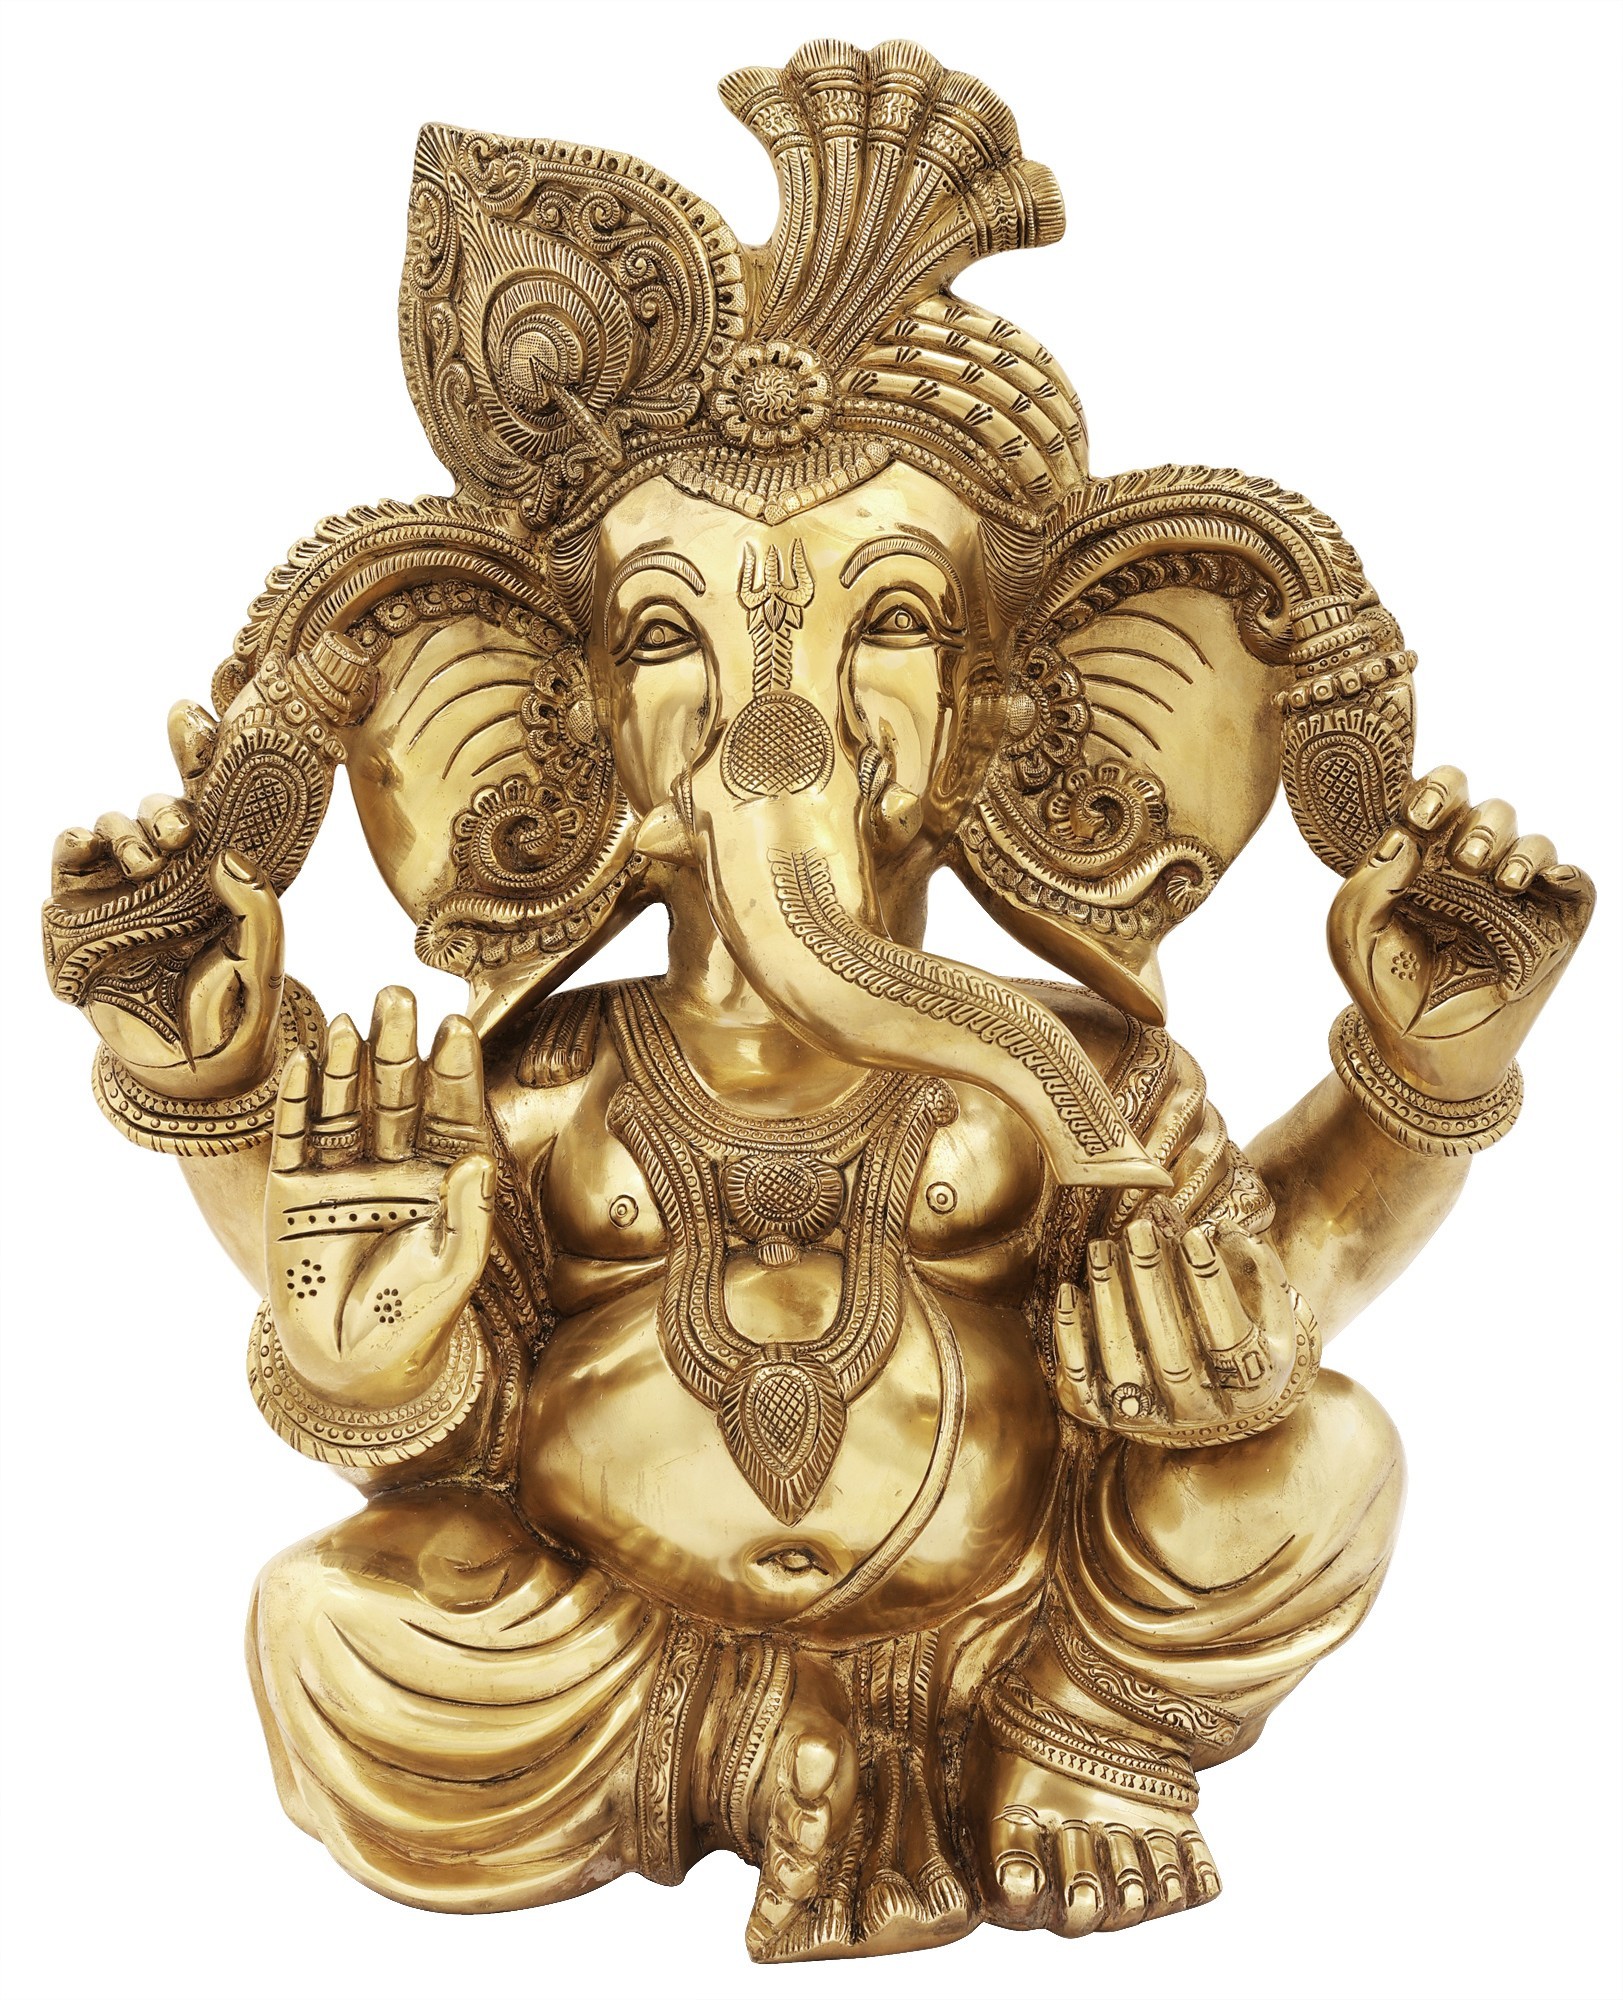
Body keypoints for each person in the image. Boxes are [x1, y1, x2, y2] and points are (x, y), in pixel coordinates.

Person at [46, 39, 1592, 1963]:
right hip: (619, 1652)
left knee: (1324, 1459)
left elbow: (1272, 1293)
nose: (776, 724)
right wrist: (281, 1205)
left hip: (1019, 1617)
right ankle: (748, 1754)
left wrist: (1417, 1076)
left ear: (1022, 713)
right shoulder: (546, 1080)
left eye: (896, 622)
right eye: (670, 633)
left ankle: (1090, 1729)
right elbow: (433, 1429)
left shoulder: (1081, 1072)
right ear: (559, 722)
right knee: (335, 1630)